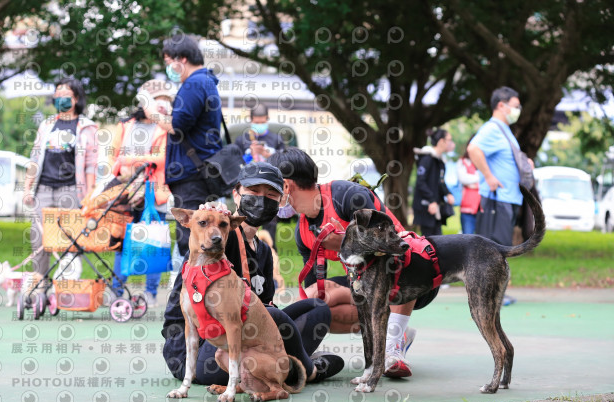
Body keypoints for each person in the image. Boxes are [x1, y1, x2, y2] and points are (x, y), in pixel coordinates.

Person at [162, 162, 344, 385]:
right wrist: (207, 218)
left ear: (281, 202)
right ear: (236, 195)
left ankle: (283, 363)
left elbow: (262, 312)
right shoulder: (218, 238)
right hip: (201, 349)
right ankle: (307, 369)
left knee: (317, 309)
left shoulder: (264, 251)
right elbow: (177, 311)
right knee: (271, 314)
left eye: (270, 194)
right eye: (253, 192)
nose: (261, 199)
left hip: (242, 339)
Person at [267, 148, 440, 378]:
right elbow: (312, 301)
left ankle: (393, 346)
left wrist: (345, 245)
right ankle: (393, 331)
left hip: (412, 277)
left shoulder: (348, 196)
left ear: (286, 186)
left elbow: (395, 247)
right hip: (369, 285)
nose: (268, 196)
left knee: (392, 265)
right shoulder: (303, 232)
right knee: (314, 300)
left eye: (271, 189)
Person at [142, 34, 223, 259]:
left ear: (182, 59)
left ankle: (186, 290)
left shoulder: (194, 84)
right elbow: (187, 121)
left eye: (169, 62)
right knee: (200, 238)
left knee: (190, 241)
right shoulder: (205, 82)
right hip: (199, 172)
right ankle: (189, 289)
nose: (168, 67)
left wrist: (153, 114)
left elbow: (177, 126)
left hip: (191, 175)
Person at [106, 79, 175, 307]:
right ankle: (116, 290)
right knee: (121, 241)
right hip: (125, 192)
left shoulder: (166, 129)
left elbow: (163, 159)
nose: (163, 105)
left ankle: (150, 293)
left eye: (167, 101)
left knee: (154, 243)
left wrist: (131, 160)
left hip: (154, 194)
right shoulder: (125, 126)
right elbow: (112, 157)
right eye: (158, 100)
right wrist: (122, 166)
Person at [23, 77, 98, 276]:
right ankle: (40, 283)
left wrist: (89, 196)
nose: (60, 99)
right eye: (57, 95)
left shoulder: (86, 127)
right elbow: (35, 158)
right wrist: (27, 188)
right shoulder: (47, 125)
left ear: (76, 99)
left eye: (65, 95)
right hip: (44, 189)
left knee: (70, 240)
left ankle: (66, 285)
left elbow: (91, 165)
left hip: (71, 190)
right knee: (39, 239)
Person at [467, 86, 531, 246]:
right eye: (516, 106)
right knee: (492, 251)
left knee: (501, 249)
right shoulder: (492, 128)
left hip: (508, 197)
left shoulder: (504, 130)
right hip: (497, 199)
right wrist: (489, 177)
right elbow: (473, 148)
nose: (518, 110)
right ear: (502, 106)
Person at [234, 103, 286, 252]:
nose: (260, 125)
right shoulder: (242, 139)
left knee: (270, 220)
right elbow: (235, 162)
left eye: (263, 122)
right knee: (246, 216)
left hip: (270, 185)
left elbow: (284, 162)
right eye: (256, 123)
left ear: (267, 119)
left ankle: (269, 251)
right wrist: (249, 154)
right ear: (250, 120)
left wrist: (267, 155)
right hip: (249, 186)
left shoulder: (275, 139)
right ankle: (243, 248)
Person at [412, 129, 456, 237]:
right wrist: (431, 200)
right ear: (441, 141)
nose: (451, 143)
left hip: (436, 206)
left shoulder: (440, 161)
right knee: (428, 240)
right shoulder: (427, 158)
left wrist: (447, 193)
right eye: (449, 140)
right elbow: (420, 182)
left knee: (437, 238)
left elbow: (440, 181)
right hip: (426, 206)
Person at [457, 139, 481, 234]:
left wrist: (474, 183)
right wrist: (481, 178)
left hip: (483, 208)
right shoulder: (463, 161)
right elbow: (464, 179)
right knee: (467, 238)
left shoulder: (486, 162)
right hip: (468, 207)